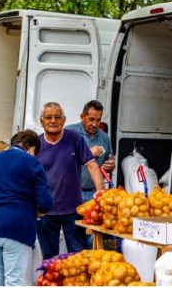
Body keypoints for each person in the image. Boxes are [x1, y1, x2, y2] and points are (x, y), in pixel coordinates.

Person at [0, 130, 54, 286]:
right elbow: (46, 202)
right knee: (14, 280)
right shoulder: (32, 162)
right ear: (32, 149)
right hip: (17, 226)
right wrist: (34, 208)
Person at [36, 102, 106, 258]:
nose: (53, 121)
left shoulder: (74, 138)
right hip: (45, 212)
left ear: (64, 120)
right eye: (48, 117)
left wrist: (101, 194)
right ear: (42, 121)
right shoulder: (37, 144)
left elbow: (92, 166)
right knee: (49, 258)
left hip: (73, 210)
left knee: (78, 257)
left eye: (57, 117)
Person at [65, 100, 115, 202]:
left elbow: (107, 163)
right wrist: (87, 153)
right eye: (91, 119)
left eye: (98, 120)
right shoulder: (69, 132)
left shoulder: (104, 137)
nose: (95, 124)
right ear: (82, 116)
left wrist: (110, 166)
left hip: (91, 194)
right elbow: (60, 159)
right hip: (69, 192)